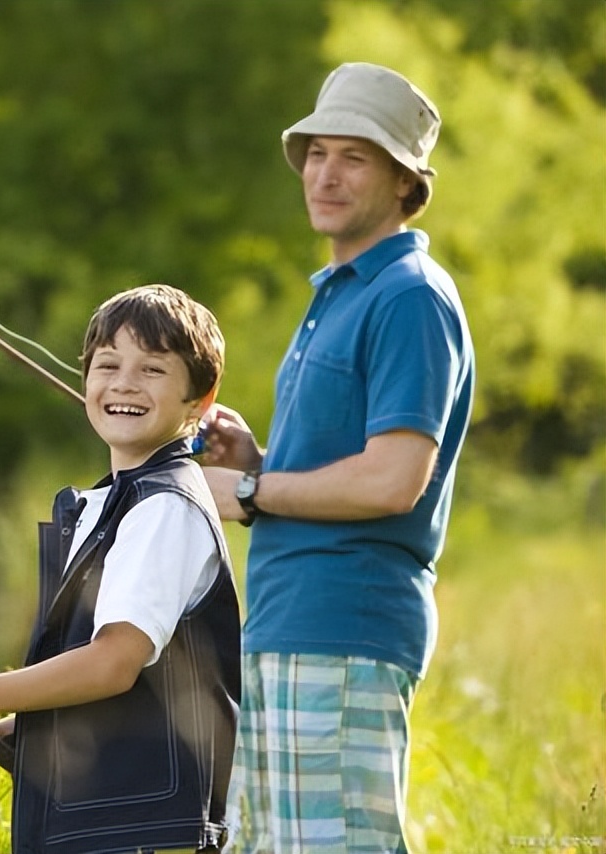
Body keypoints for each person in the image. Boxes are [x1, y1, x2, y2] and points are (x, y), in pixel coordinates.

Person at [199, 62, 475, 853]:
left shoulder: (409, 296)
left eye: (354, 157)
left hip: (346, 627)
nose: (325, 173)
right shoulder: (342, 292)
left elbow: (395, 479)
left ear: (403, 182)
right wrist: (258, 456)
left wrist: (250, 487)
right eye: (317, 152)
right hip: (290, 626)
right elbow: (337, 465)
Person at [0, 284, 241, 854]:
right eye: (108, 364)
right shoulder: (117, 502)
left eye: (153, 369)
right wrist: (17, 733)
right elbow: (129, 701)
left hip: (144, 834)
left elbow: (112, 665)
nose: (125, 382)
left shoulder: (163, 508)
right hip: (115, 827)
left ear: (200, 400)